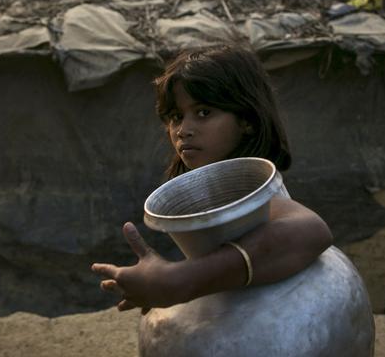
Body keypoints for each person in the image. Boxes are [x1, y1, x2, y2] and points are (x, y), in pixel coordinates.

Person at [91, 45, 333, 314]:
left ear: (247, 121)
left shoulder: (252, 191)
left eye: (204, 112)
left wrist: (178, 280)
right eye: (176, 117)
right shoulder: (205, 193)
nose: (184, 130)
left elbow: (312, 230)